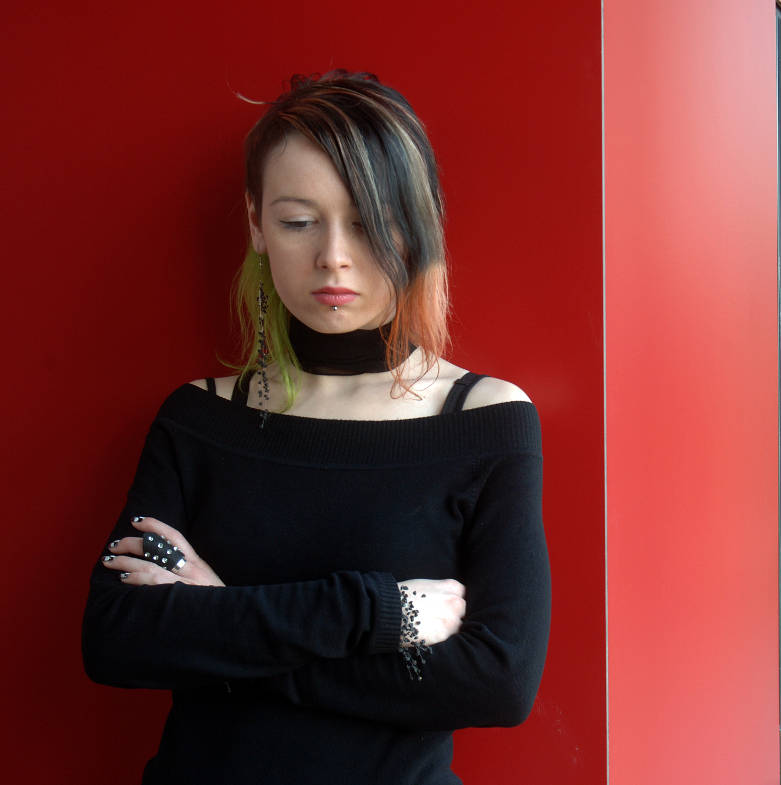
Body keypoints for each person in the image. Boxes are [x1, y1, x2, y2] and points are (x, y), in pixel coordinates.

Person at [81, 71, 551, 785]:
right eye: (299, 222)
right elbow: (116, 638)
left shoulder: (485, 420)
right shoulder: (201, 417)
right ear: (256, 225)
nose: (333, 255)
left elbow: (498, 682)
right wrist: (378, 612)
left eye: (367, 223)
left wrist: (221, 616)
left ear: (419, 225)